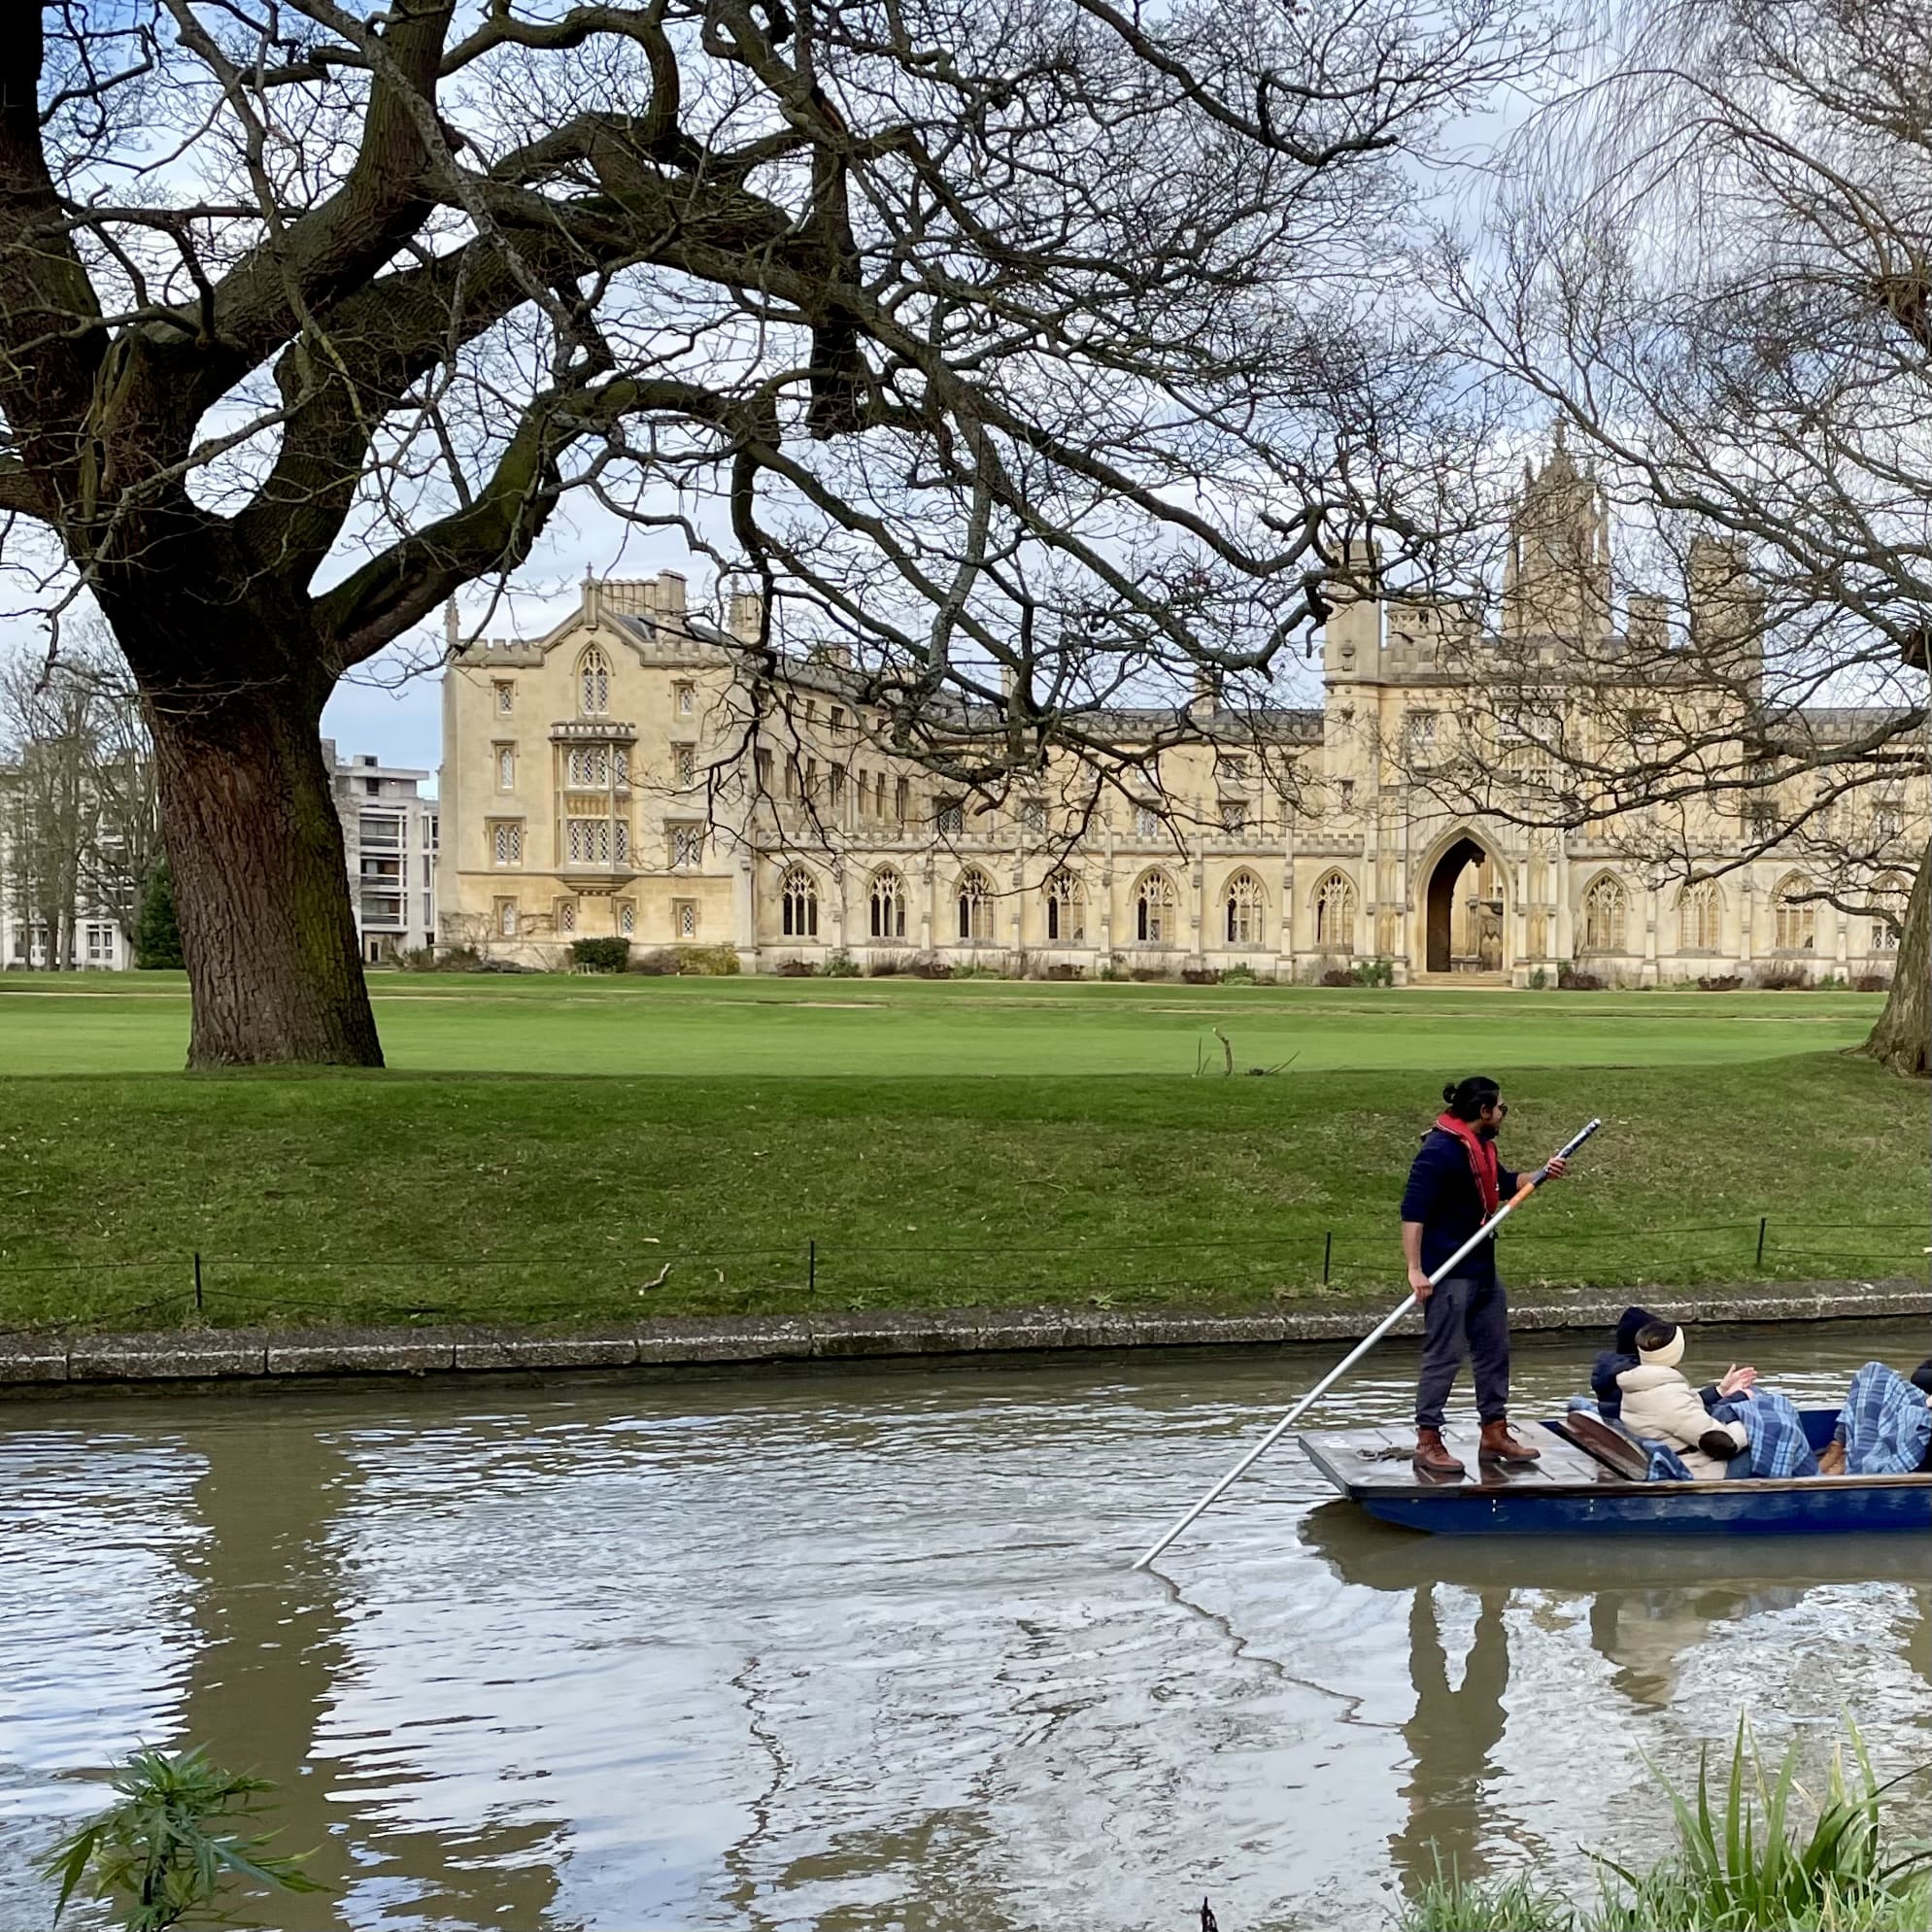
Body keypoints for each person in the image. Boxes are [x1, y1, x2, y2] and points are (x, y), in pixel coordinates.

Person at [1403, 1075, 1569, 1476]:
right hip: (1448, 1272)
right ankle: (1428, 1441)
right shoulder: (1439, 1152)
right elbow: (1413, 1212)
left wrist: (1541, 1174)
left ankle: (1493, 1431)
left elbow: (1504, 1182)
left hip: (1483, 1271)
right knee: (1444, 1356)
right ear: (1483, 1112)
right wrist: (1415, 1269)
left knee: (1494, 1351)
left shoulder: (1482, 1146)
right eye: (1501, 1109)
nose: (1503, 1115)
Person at [1614, 1321, 1752, 1479]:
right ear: (1676, 1351)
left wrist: (1720, 1391)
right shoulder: (1667, 1395)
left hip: (1683, 1456)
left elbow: (1682, 1410)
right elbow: (1722, 1443)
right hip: (1701, 1470)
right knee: (1772, 1440)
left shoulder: (1641, 1383)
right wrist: (1749, 1423)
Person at [1591, 1305, 1756, 1420]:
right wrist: (1738, 1397)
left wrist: (1720, 1391)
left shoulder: (1617, 1372)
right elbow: (1693, 1420)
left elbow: (1679, 1405)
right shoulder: (1648, 1382)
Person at [1817, 1356, 1932, 1475]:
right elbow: (1919, 1377)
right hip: (1920, 1402)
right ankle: (1838, 1447)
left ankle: (1854, 1460)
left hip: (1924, 1417)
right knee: (1874, 1371)